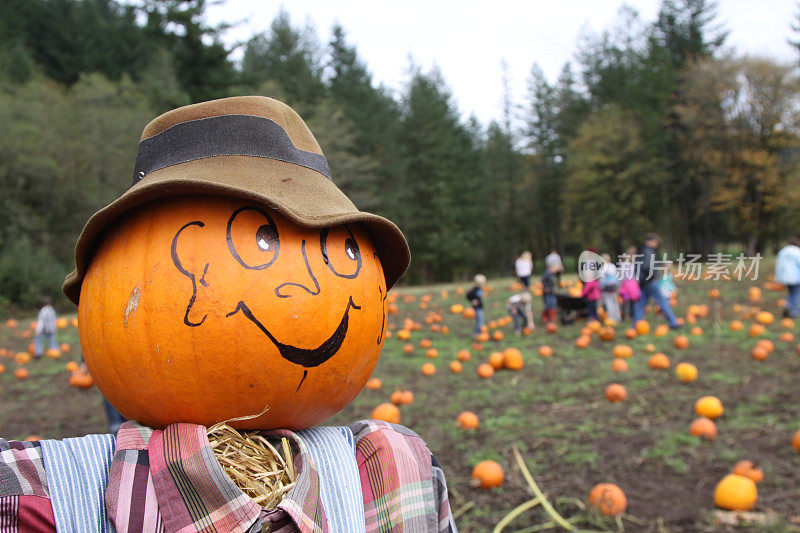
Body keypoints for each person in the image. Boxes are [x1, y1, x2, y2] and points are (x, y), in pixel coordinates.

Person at [0, 96, 456, 532]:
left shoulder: (396, 468)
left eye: (341, 250)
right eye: (263, 240)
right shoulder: (39, 495)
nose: (313, 286)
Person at [632, 233, 680, 328]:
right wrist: (654, 274)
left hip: (642, 281)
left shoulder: (641, 250)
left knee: (640, 304)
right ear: (651, 241)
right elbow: (647, 266)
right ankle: (673, 322)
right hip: (649, 281)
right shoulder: (648, 252)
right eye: (656, 242)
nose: (657, 244)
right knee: (662, 300)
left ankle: (636, 325)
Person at [775, 236, 800, 318]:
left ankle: (787, 306)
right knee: (795, 293)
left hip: (785, 277)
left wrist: (778, 278)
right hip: (796, 276)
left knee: (791, 292)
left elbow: (779, 265)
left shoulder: (783, 252)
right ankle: (794, 312)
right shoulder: (797, 251)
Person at [618, 246, 641, 320]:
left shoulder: (625, 264)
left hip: (627, 284)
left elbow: (621, 276)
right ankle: (629, 314)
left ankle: (626, 314)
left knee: (627, 300)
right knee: (631, 300)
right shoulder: (633, 264)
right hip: (631, 284)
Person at [599, 253, 621, 322]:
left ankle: (611, 318)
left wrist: (600, 288)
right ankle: (618, 317)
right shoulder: (613, 266)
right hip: (614, 286)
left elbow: (602, 280)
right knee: (615, 302)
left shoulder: (602, 268)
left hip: (607, 287)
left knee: (609, 303)